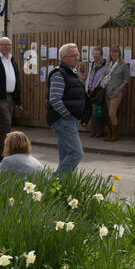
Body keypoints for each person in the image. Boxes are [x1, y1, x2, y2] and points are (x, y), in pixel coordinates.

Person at [46, 43, 88, 174]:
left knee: (65, 156)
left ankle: (62, 188)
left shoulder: (70, 72)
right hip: (64, 120)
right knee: (76, 153)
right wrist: (68, 115)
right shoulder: (59, 74)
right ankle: (54, 182)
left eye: (78, 55)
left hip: (68, 120)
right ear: (63, 58)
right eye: (73, 56)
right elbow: (54, 99)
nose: (77, 58)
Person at [100, 46, 130, 142]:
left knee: (112, 113)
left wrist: (119, 89)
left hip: (117, 92)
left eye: (116, 52)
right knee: (108, 114)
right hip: (107, 91)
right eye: (112, 52)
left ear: (119, 54)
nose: (114, 54)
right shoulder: (108, 64)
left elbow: (126, 79)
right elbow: (104, 76)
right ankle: (110, 133)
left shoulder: (123, 65)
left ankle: (115, 135)